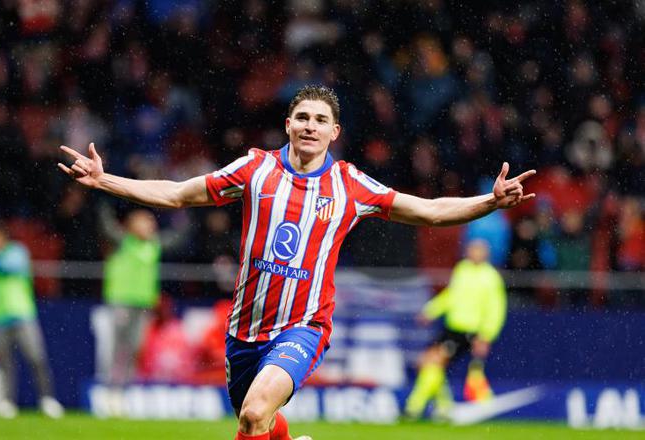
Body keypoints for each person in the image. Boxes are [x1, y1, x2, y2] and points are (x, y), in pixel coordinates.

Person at [58, 85, 534, 440]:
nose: (310, 125)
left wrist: (488, 202)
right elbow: (179, 194)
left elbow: (429, 211)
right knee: (260, 419)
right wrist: (105, 181)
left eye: (320, 119)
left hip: (304, 326)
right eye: (302, 117)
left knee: (253, 413)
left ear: (334, 132)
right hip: (244, 331)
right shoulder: (255, 168)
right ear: (288, 124)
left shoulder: (350, 185)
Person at [404, 239, 507, 420]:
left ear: (486, 254)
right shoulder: (462, 269)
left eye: (478, 250)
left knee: (433, 362)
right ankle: (443, 409)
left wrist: (486, 336)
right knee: (432, 365)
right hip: (452, 328)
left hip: (470, 332)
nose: (474, 253)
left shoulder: (491, 277)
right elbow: (451, 295)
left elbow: (496, 309)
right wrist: (431, 310)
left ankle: (414, 408)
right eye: (472, 249)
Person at [97, 203, 190, 386]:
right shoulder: (122, 241)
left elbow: (178, 238)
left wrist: (184, 216)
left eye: (151, 222)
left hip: (143, 302)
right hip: (121, 300)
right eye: (145, 222)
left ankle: (127, 385)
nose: (150, 226)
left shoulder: (154, 244)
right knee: (117, 344)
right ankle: (109, 384)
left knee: (137, 346)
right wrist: (102, 203)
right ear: (132, 225)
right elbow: (106, 226)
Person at [0, 221, 65, 419]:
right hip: (0, 317)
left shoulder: (17, 252)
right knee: (5, 362)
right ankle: (7, 402)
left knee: (36, 358)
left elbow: (7, 268)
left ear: (3, 236)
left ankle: (47, 399)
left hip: (22, 313)